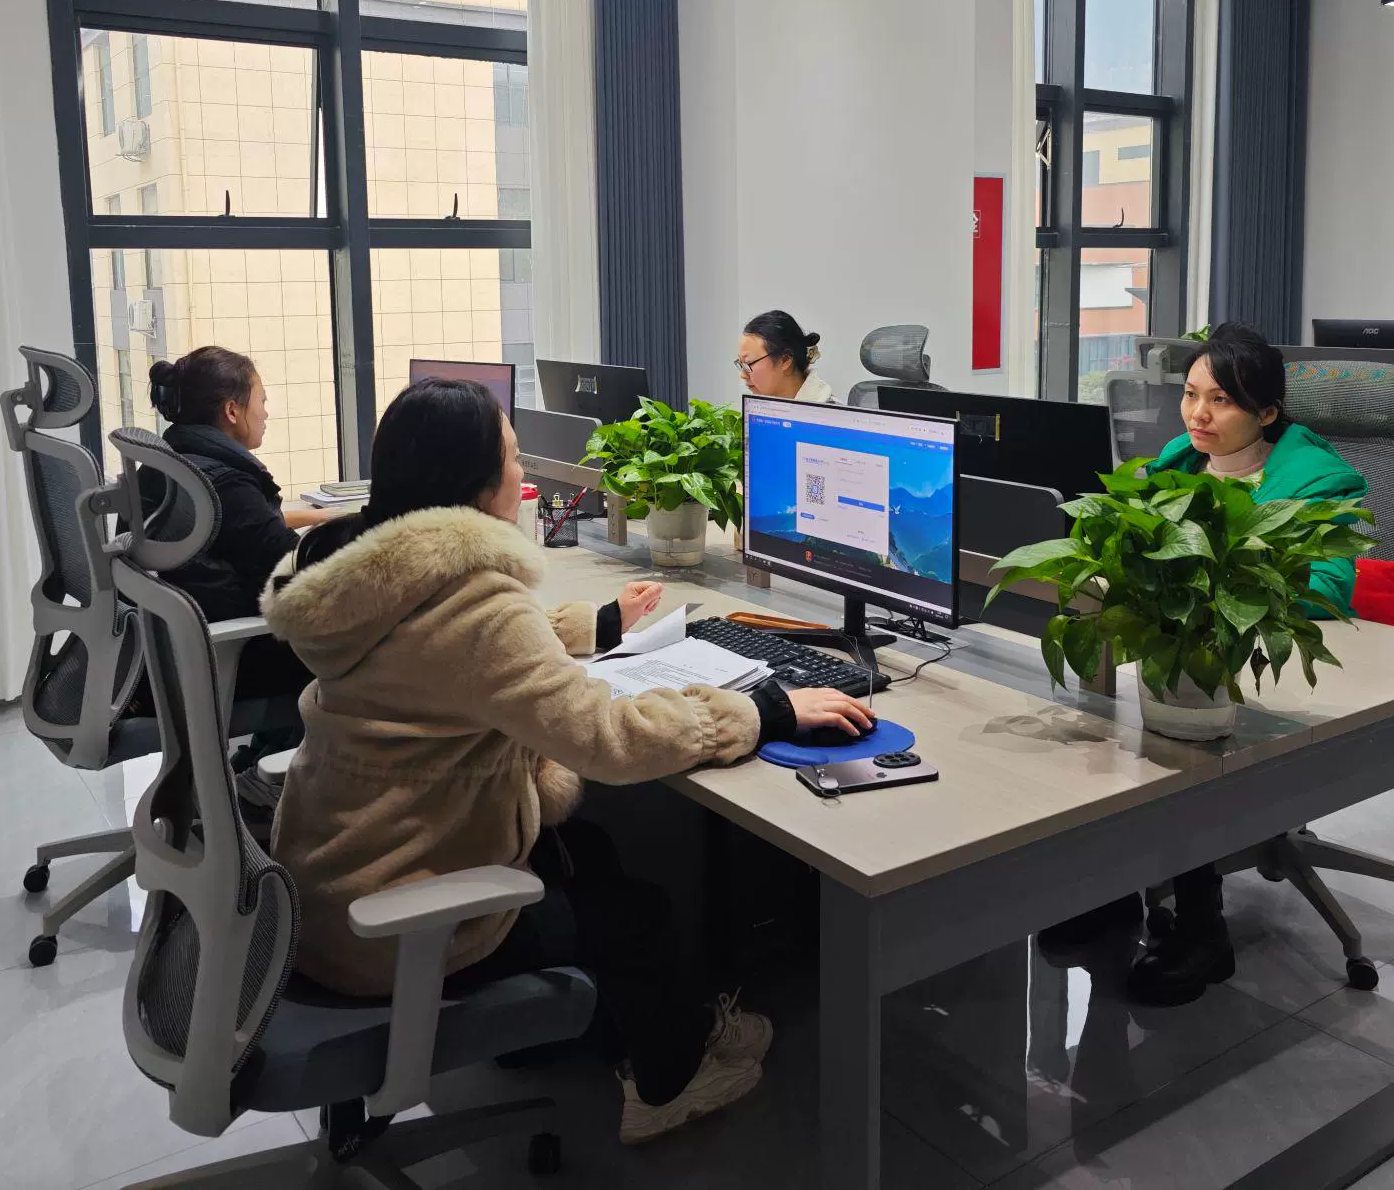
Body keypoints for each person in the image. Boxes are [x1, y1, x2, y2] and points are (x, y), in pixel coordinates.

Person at [262, 377, 875, 1144]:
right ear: (475, 486)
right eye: (514, 458)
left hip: (329, 889)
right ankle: (668, 1083)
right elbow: (608, 739)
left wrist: (599, 624)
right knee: (636, 915)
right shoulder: (472, 605)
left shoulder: (362, 575)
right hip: (393, 932)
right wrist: (763, 709)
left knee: (591, 852)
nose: (525, 474)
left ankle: (583, 1036)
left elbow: (453, 653)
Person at [1043, 324, 1370, 1007]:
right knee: (1096, 724)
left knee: (1175, 745)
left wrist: (1220, 580)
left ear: (1267, 412)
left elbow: (1327, 590)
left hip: (1275, 663)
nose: (1197, 414)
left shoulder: (1318, 478)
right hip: (1181, 653)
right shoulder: (1181, 459)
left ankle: (1202, 928)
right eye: (1191, 395)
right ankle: (1108, 891)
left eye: (1220, 400)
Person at [144, 347, 337, 779]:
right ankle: (299, 776)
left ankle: (266, 760)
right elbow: (297, 572)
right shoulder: (226, 483)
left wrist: (319, 518)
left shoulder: (179, 463)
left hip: (178, 650)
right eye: (261, 400)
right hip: (232, 654)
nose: (266, 412)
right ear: (233, 410)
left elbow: (239, 529)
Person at [736, 310, 832, 402]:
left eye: (748, 363)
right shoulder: (758, 407)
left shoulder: (827, 411)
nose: (743, 375)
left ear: (785, 359)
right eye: (741, 364)